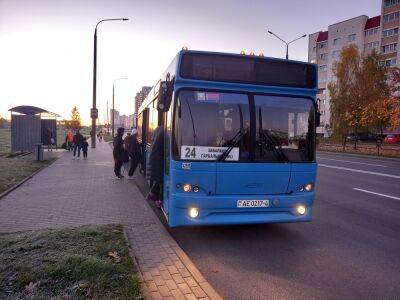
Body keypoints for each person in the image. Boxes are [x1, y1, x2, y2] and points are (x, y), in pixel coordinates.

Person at [146, 126, 164, 208]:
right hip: (158, 165)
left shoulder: (155, 142)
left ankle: (152, 194)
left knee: (159, 180)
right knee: (161, 181)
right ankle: (159, 201)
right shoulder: (161, 139)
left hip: (155, 165)